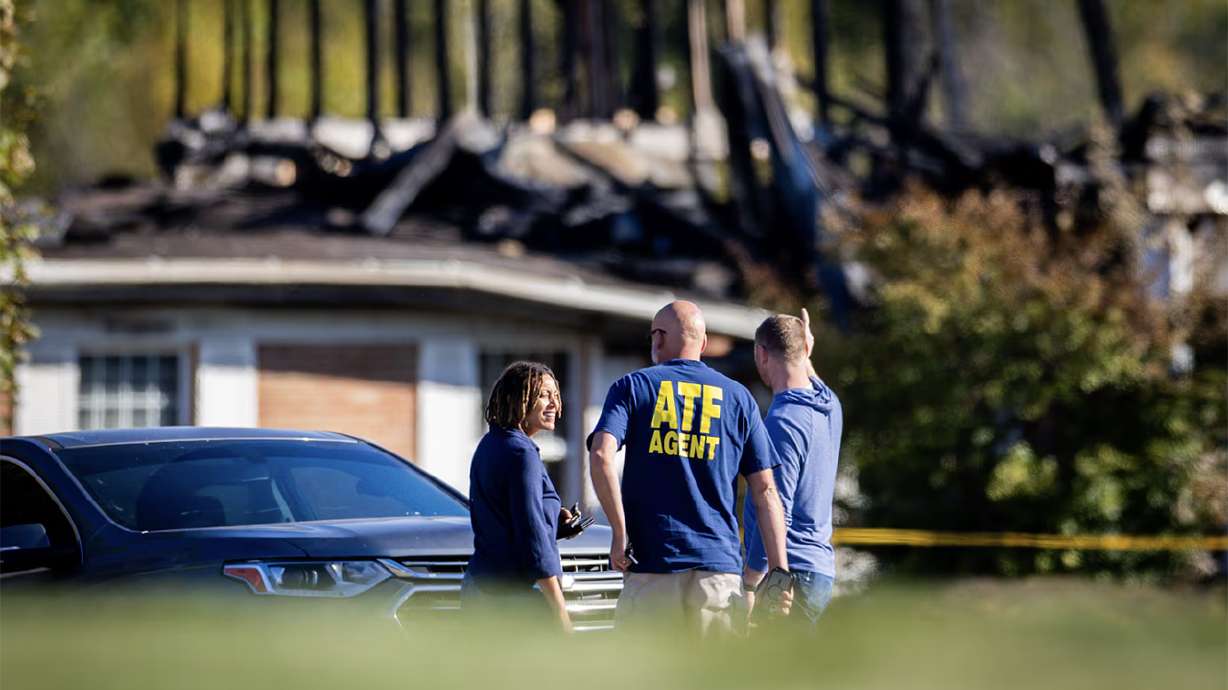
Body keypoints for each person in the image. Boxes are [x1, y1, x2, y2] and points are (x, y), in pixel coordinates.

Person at [588, 300, 793, 635]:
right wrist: (780, 572)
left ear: (657, 339)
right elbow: (766, 490)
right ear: (704, 344)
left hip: (652, 566)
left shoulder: (633, 387)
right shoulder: (739, 398)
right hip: (719, 573)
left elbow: (601, 455)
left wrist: (619, 531)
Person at [742, 311, 843, 627]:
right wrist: (805, 347)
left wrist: (752, 581)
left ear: (761, 353)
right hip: (817, 569)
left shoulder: (782, 421)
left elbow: (774, 505)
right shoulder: (829, 404)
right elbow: (812, 379)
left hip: (789, 576)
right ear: (807, 351)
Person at [462, 361, 572, 632]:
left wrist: (552, 521)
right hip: (515, 598)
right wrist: (560, 613)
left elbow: (506, 517)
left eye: (555, 396)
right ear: (517, 397)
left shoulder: (491, 444)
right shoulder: (521, 453)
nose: (554, 404)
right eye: (544, 394)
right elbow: (532, 538)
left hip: (481, 587)